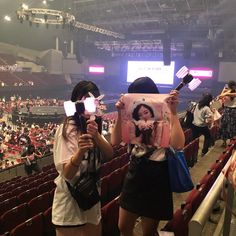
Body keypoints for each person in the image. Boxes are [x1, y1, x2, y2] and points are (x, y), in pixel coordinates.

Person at [111, 77, 185, 236]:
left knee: (149, 231)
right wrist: (119, 113)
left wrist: (173, 112)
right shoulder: (131, 117)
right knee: (123, 226)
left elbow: (179, 144)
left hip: (158, 174)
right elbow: (115, 141)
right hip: (135, 171)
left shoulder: (165, 113)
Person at [52, 81, 113, 236]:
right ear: (76, 102)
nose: (88, 105)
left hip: (91, 202)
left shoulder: (94, 126)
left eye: (93, 100)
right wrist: (80, 153)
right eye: (84, 99)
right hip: (70, 208)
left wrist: (97, 136)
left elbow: (109, 154)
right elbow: (67, 174)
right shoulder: (66, 130)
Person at [218, 80, 236, 147]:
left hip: (227, 110)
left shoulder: (226, 92)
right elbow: (220, 97)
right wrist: (225, 92)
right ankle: (231, 142)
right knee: (232, 126)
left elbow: (220, 96)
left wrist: (224, 91)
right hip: (233, 111)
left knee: (224, 126)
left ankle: (224, 142)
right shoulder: (228, 92)